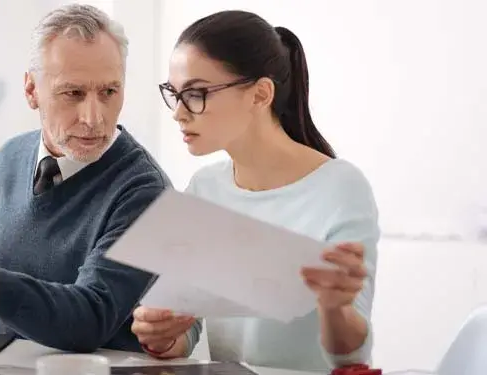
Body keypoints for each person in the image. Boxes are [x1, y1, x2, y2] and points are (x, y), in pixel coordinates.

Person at [130, 10, 380, 372]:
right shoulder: (204, 189)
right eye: (174, 94)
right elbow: (186, 332)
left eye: (196, 93)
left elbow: (350, 358)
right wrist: (162, 333)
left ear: (260, 94)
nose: (179, 113)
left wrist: (335, 307)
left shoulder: (341, 188)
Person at [0, 4, 170, 353]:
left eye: (109, 92)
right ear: (31, 90)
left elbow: (91, 315)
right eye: (73, 93)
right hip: (6, 365)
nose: (93, 118)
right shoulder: (10, 157)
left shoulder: (145, 191)